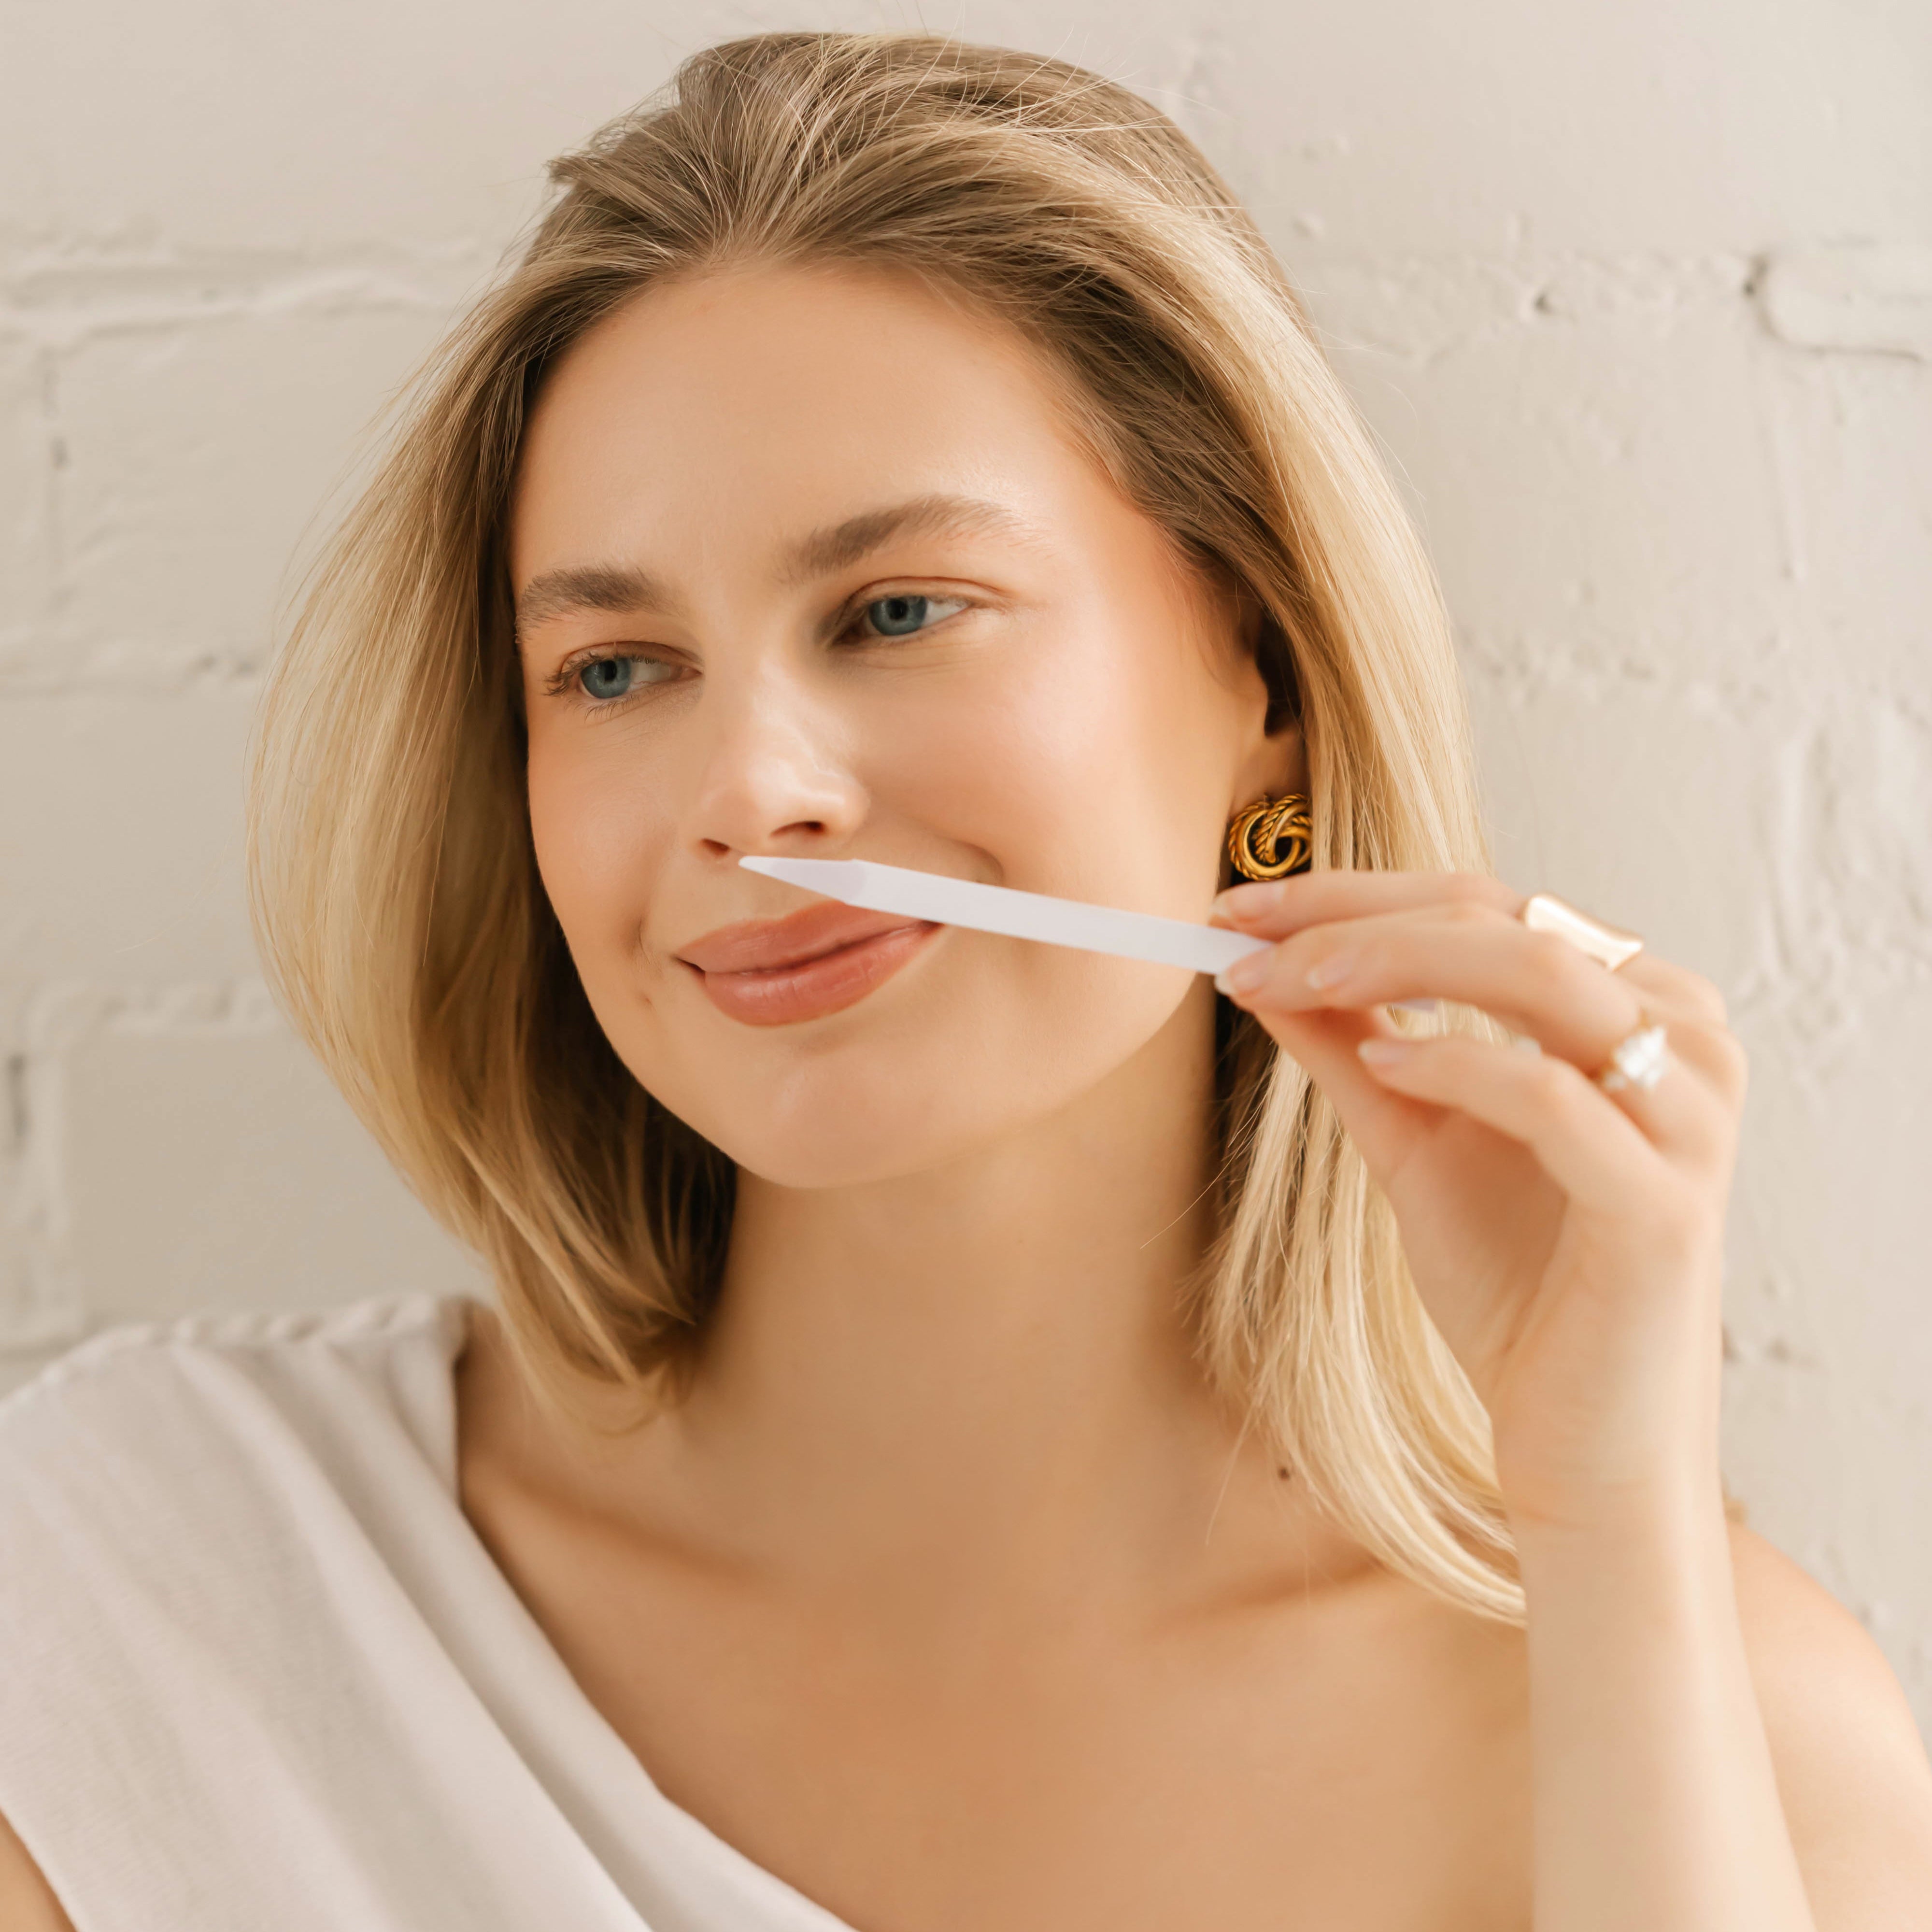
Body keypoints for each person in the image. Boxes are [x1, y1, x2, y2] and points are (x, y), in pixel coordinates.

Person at [2, 30, 1929, 1932]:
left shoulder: (1728, 1728)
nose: (749, 788)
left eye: (896, 610)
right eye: (612, 667)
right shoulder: (140, 1595)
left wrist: (1605, 1514)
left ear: (1259, 668)